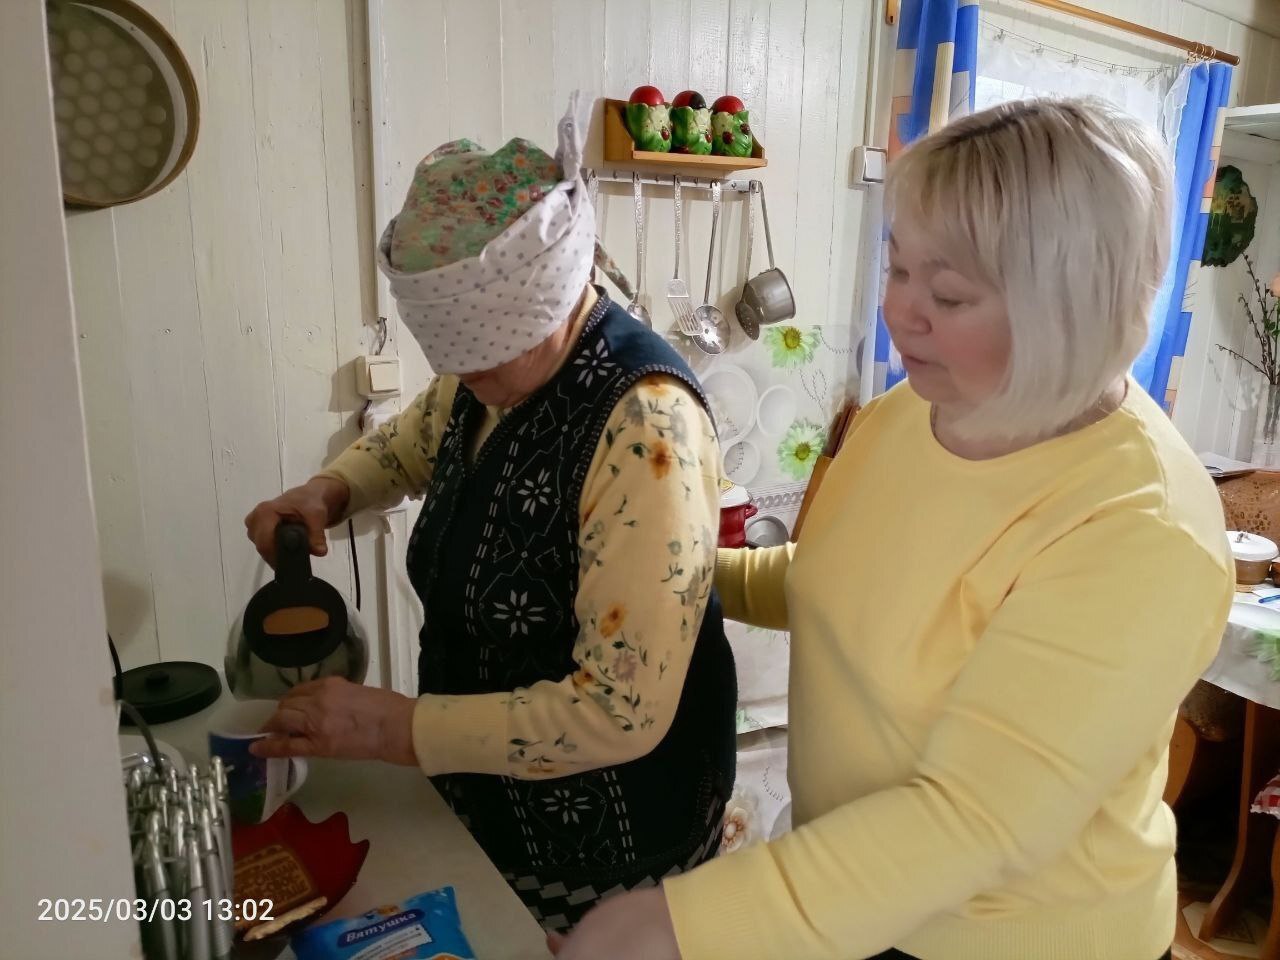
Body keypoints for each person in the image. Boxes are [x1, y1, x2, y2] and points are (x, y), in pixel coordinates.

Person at [551, 97, 1233, 960]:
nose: (899, 312)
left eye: (947, 293)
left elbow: (973, 817)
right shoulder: (911, 413)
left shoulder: (1140, 529)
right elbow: (834, 579)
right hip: (868, 911)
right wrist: (681, 567)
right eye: (897, 267)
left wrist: (679, 923)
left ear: (1069, 310)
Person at [244, 96, 736, 932]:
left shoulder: (647, 428)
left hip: (612, 843)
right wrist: (328, 492)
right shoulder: (485, 382)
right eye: (454, 365)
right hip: (491, 804)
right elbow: (407, 446)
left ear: (553, 303)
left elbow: (618, 710)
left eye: (480, 361)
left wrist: (398, 729)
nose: (463, 379)